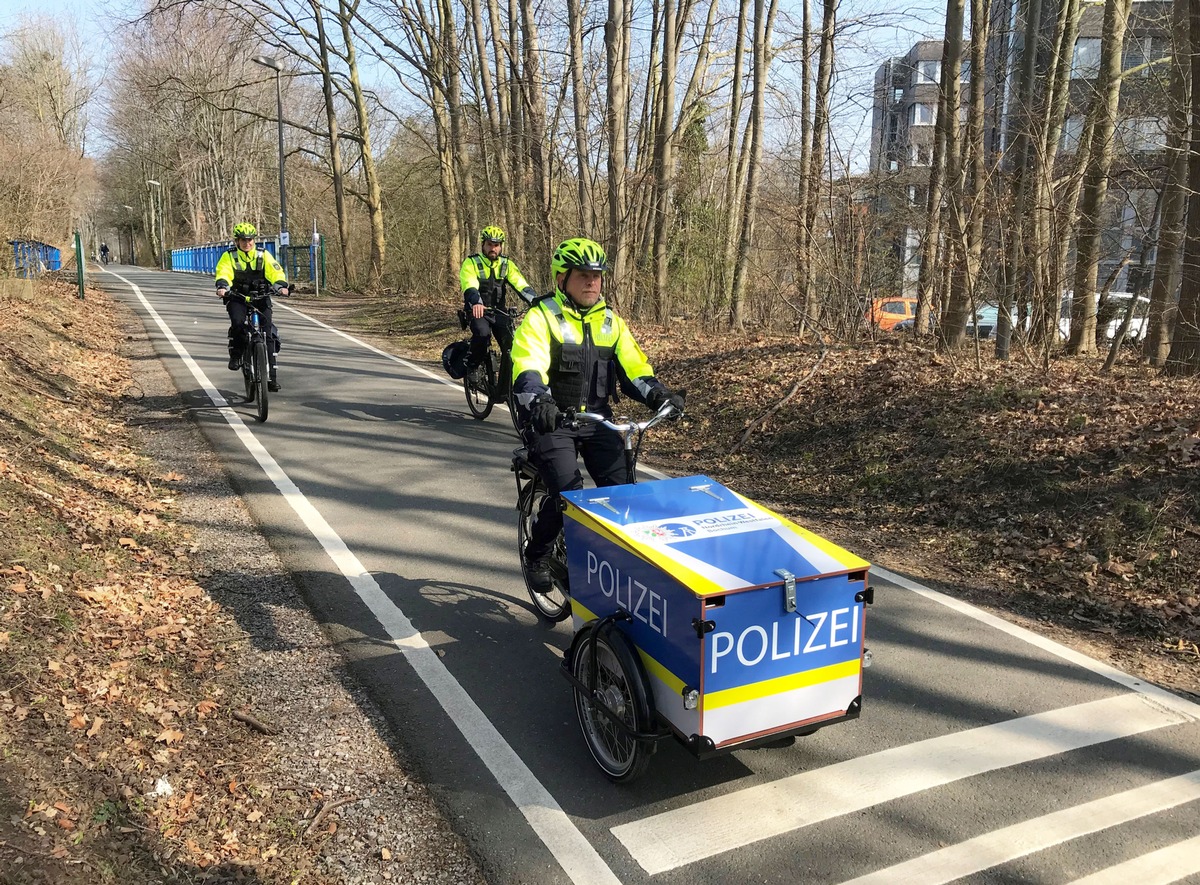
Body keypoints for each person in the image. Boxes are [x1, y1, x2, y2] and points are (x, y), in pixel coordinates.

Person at [509, 237, 685, 591]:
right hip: (552, 420)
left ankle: (609, 566)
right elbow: (528, 366)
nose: (592, 282)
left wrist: (660, 396)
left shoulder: (612, 324)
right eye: (583, 275)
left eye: (598, 275)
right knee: (568, 494)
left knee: (623, 495)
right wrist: (538, 401)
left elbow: (635, 370)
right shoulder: (541, 317)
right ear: (562, 278)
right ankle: (538, 553)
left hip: (598, 420)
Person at [214, 223, 289, 391]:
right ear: (237, 241)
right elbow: (223, 272)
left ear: (254, 240)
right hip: (237, 297)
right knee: (238, 323)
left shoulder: (263, 255)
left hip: (261, 297)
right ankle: (236, 356)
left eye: (250, 240)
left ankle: (271, 378)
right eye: (243, 240)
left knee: (268, 332)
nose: (247, 243)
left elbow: (275, 271)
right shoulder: (229, 256)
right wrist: (223, 287)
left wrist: (280, 286)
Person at [459, 225, 539, 371]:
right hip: (478, 311)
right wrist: (476, 302)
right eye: (490, 244)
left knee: (512, 345)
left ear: (501, 246)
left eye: (496, 245)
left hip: (499, 312)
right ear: (483, 244)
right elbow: (470, 284)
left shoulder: (506, 264)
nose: (493, 248)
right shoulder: (471, 263)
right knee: (482, 335)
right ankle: (471, 366)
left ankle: (506, 383)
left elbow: (520, 285)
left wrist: (535, 300)